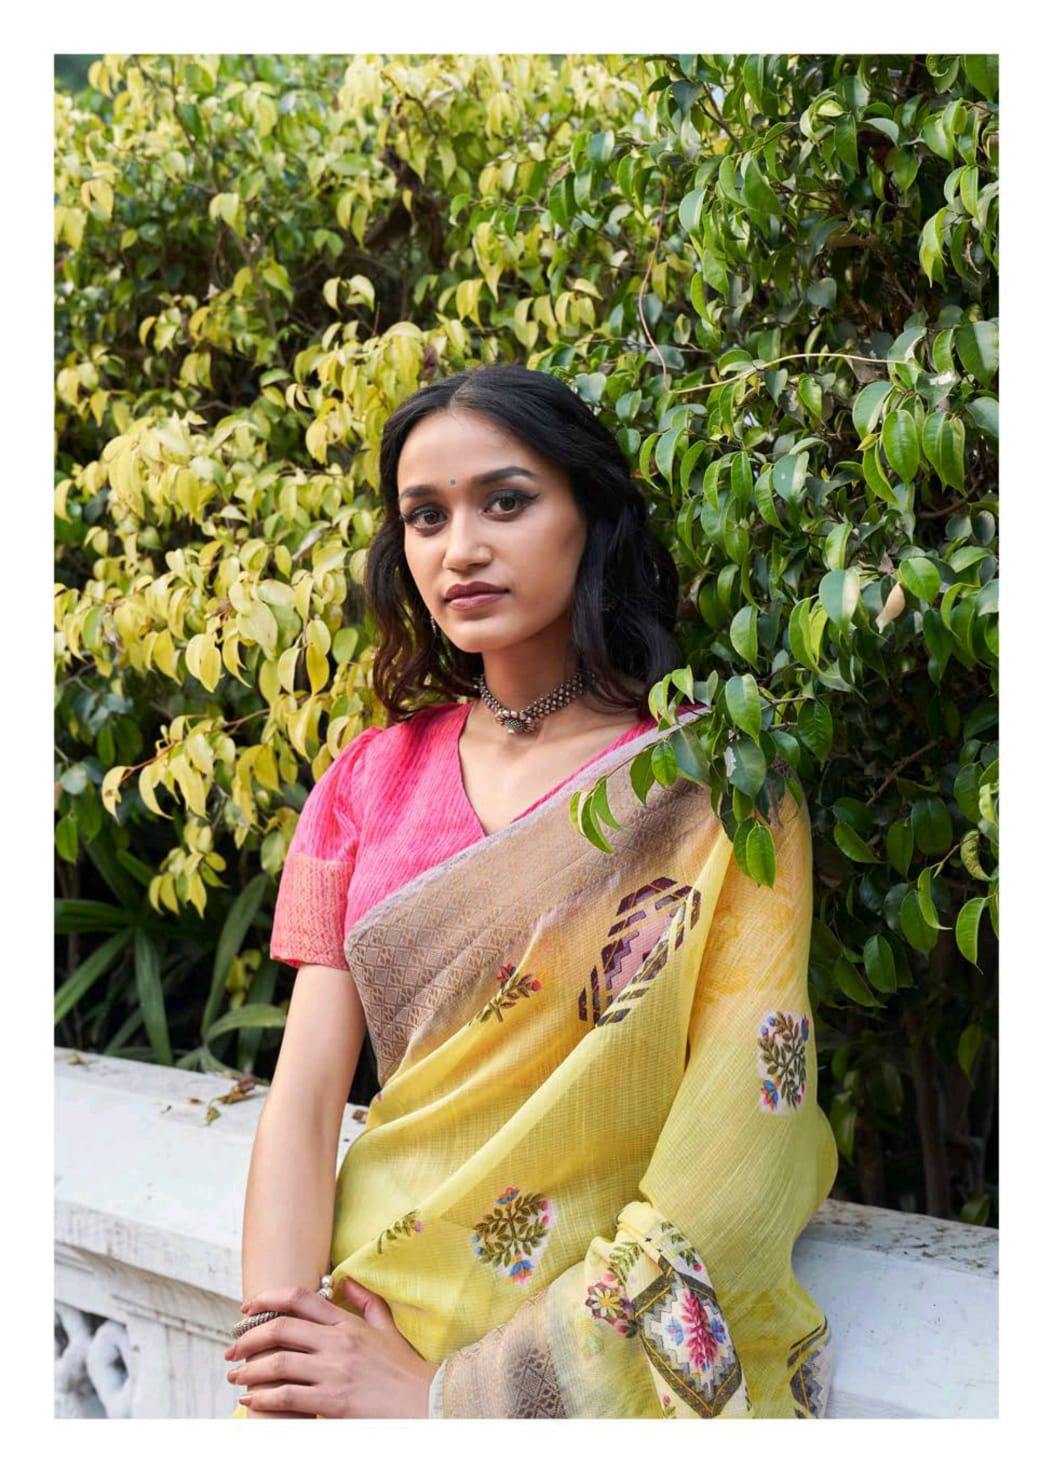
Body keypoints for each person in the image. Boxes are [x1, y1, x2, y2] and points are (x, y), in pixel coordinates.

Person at [227, 363, 838, 1419]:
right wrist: (284, 1350)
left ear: (588, 516)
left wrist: (447, 1402)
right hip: (362, 1323)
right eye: (425, 516)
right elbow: (305, 1099)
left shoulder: (715, 792)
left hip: (563, 1371)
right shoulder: (367, 781)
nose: (458, 548)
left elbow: (744, 1129)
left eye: (504, 502)